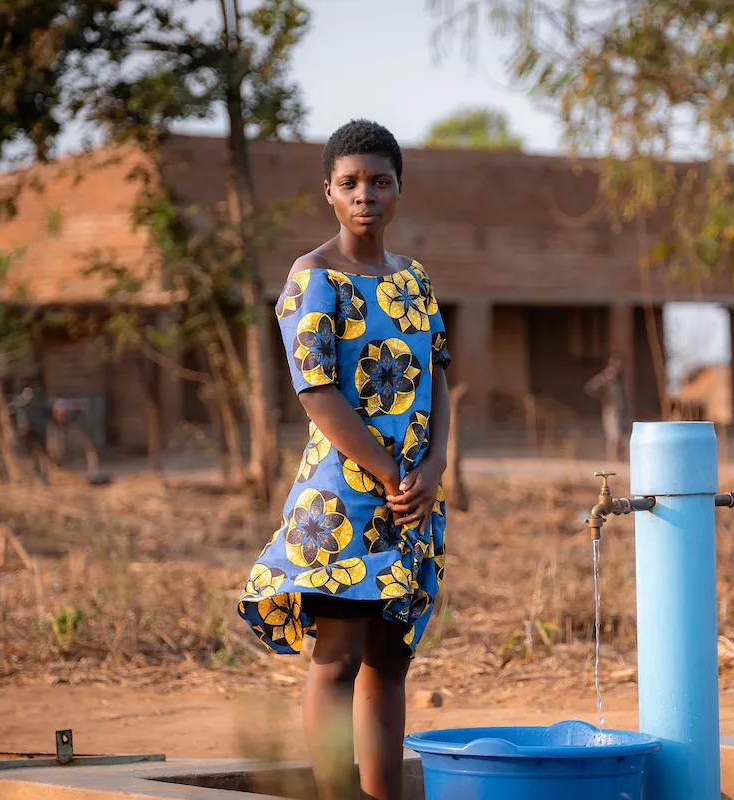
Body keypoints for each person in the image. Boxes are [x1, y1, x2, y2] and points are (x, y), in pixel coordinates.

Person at [237, 120, 451, 800]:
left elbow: (438, 378)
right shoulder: (313, 277)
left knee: (390, 661)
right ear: (328, 191)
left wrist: (435, 466)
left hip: (413, 498)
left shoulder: (414, 281)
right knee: (337, 658)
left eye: (380, 181)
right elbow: (317, 392)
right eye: (352, 182)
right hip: (344, 502)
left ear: (399, 190)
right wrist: (391, 476)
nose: (366, 194)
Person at [585, 353, 628, 462]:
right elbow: (591, 387)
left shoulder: (619, 379)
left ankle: (619, 459)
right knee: (614, 436)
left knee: (621, 435)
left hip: (620, 409)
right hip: (611, 409)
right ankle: (612, 459)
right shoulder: (607, 377)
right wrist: (604, 397)